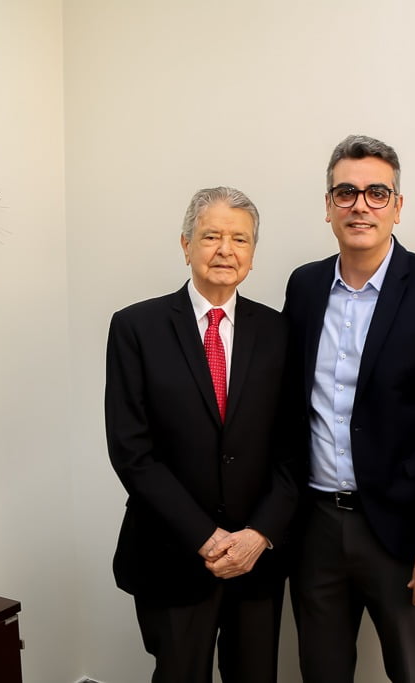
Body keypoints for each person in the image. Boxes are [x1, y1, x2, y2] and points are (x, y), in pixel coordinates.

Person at [283, 135, 415, 683]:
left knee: (414, 674)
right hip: (315, 528)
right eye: (345, 192)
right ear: (328, 206)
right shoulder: (303, 287)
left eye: (377, 193)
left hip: (403, 527)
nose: (360, 205)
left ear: (397, 206)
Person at [105, 186, 297, 683]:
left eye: (240, 239)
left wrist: (257, 536)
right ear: (186, 244)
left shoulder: (279, 332)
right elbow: (132, 451)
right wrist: (205, 537)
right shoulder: (135, 328)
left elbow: (294, 449)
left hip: (256, 559)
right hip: (172, 555)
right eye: (212, 235)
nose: (225, 250)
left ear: (253, 255)